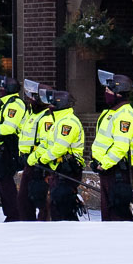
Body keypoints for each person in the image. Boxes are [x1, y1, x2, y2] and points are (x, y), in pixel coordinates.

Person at [91, 71, 133, 221]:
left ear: (118, 93)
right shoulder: (112, 112)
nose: (105, 93)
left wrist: (104, 164)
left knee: (118, 214)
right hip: (109, 169)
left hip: (117, 170)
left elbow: (120, 146)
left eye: (108, 90)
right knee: (108, 213)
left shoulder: (124, 115)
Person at [32, 90, 84, 221]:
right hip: (58, 169)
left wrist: (43, 159)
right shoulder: (58, 122)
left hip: (68, 170)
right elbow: (47, 144)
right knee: (56, 205)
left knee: (63, 205)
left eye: (52, 103)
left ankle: (69, 233)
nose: (50, 106)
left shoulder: (68, 123)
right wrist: (33, 158)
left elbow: (59, 148)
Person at [0, 75, 26, 222]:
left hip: (12, 147)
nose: (0, 90)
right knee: (2, 179)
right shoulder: (7, 104)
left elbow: (8, 128)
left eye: (3, 87)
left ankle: (14, 214)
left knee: (6, 181)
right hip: (5, 147)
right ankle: (10, 213)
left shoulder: (14, 104)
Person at [17, 80, 50, 221]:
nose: (30, 100)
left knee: (41, 197)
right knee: (24, 199)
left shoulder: (47, 117)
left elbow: (45, 143)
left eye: (33, 97)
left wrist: (34, 158)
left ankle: (43, 224)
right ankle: (27, 224)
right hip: (28, 162)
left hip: (39, 164)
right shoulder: (32, 115)